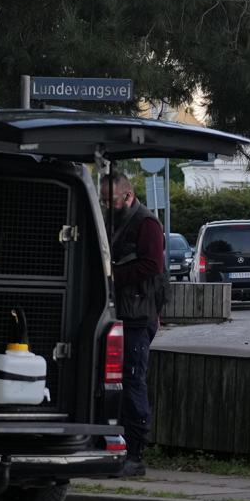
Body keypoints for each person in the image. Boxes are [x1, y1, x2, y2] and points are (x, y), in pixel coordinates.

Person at [101, 171, 165, 476]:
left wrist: (113, 276)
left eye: (110, 200)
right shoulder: (114, 218)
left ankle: (135, 452)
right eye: (103, 200)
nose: (106, 205)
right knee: (119, 381)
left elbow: (153, 266)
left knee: (132, 380)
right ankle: (116, 446)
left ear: (128, 196)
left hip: (137, 315)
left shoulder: (146, 223)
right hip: (120, 311)